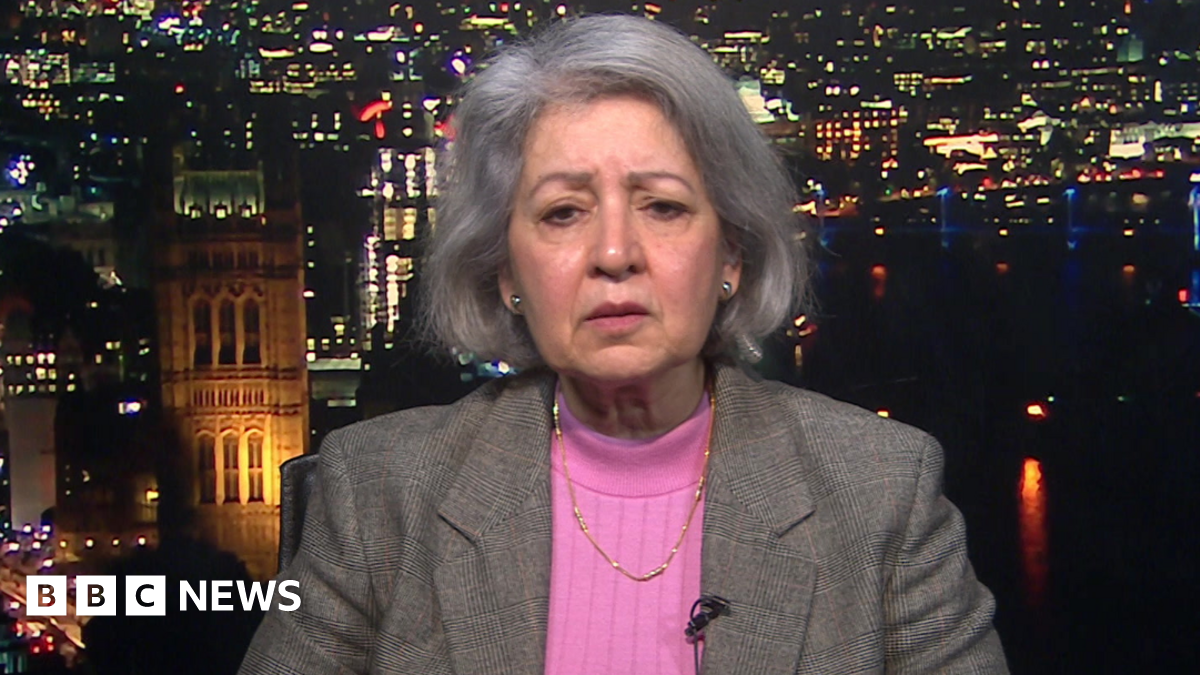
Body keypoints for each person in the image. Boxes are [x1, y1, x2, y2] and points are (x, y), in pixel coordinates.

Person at [239, 13, 1008, 675]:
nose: (614, 252)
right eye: (564, 212)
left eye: (663, 207)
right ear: (505, 269)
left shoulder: (880, 491)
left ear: (731, 256)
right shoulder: (379, 492)